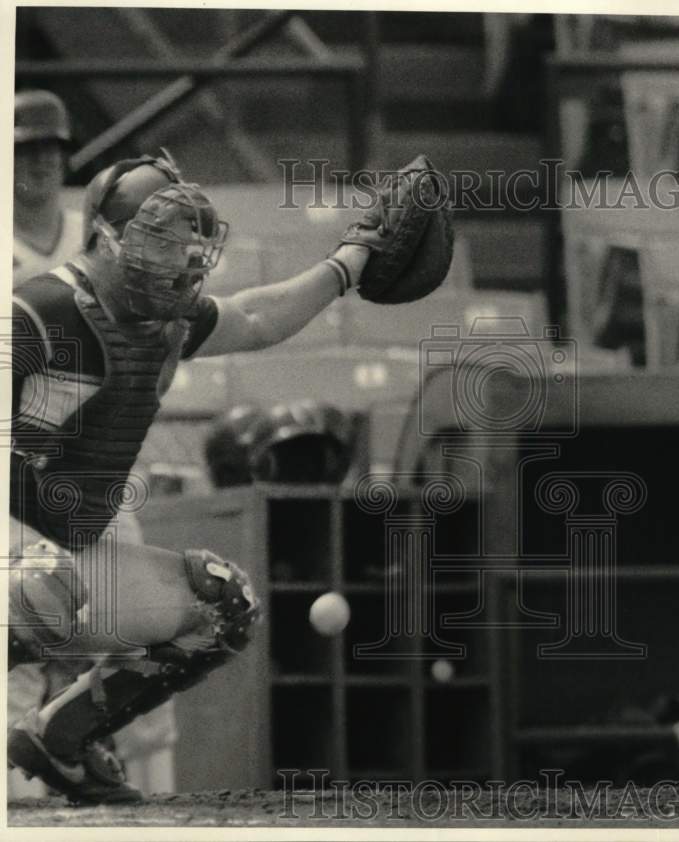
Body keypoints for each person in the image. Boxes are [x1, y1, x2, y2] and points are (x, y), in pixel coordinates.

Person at [5, 150, 431, 804]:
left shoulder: (165, 317)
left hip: (69, 553)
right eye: (159, 241)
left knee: (220, 606)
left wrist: (348, 265)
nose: (178, 259)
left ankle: (59, 737)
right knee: (33, 586)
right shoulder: (39, 311)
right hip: (16, 541)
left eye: (185, 243)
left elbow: (258, 318)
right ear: (104, 240)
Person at [10, 90, 177, 801]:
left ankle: (163, 806)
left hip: (99, 469)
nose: (38, 162)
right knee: (19, 647)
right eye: (23, 149)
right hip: (18, 476)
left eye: (49, 148)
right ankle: (22, 812)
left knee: (143, 633)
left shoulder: (96, 241)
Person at [13, 90, 82, 287]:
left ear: (64, 159)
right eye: (27, 149)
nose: (40, 159)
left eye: (50, 148)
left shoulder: (91, 235)